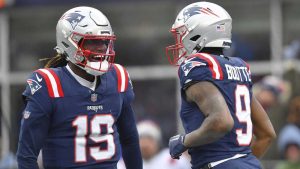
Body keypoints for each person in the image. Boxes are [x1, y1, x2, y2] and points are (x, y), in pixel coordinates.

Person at [16, 6, 142, 169]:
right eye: (92, 41)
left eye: (104, 41)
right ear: (69, 42)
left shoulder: (117, 77)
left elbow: (129, 139)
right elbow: (27, 154)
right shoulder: (49, 84)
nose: (102, 48)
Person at [165, 2, 276, 169]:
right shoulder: (239, 66)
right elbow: (267, 134)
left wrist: (183, 141)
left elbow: (221, 122)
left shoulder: (196, 65)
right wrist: (242, 163)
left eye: (182, 33)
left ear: (199, 32)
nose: (179, 40)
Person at [118, 120, 190, 169]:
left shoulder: (173, 159)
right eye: (142, 139)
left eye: (149, 139)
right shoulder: (125, 164)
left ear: (157, 142)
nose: (145, 144)